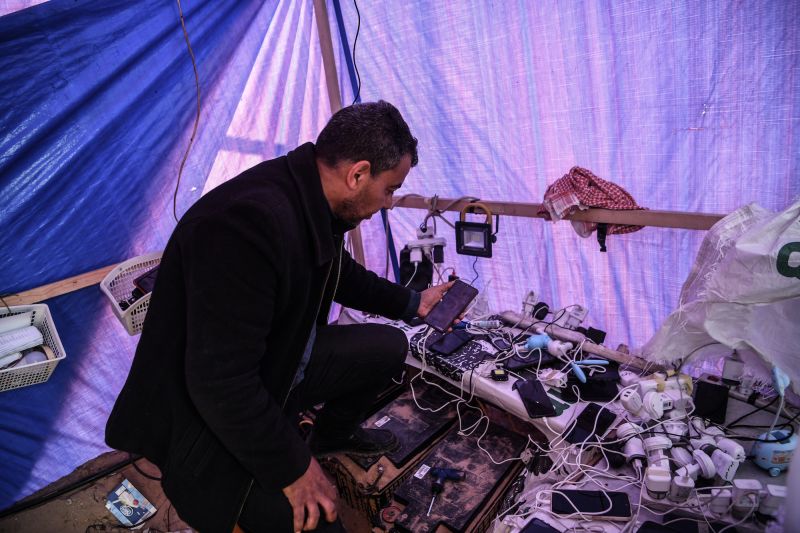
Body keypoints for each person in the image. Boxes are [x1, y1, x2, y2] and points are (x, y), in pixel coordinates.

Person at [106, 101, 454, 533]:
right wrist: (293, 468)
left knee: (388, 347)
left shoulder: (309, 200)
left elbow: (339, 272)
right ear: (358, 174)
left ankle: (331, 437)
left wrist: (410, 303)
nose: (388, 203)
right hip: (204, 419)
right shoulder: (247, 225)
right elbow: (221, 383)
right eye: (389, 189)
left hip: (280, 366)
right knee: (321, 519)